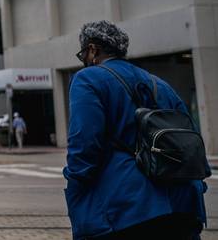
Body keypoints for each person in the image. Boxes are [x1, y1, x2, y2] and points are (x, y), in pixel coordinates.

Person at [64, 21, 207, 239]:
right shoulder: (160, 84)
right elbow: (192, 143)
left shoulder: (88, 79)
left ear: (92, 50)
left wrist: (75, 187)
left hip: (126, 208)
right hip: (182, 204)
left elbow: (84, 144)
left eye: (83, 54)